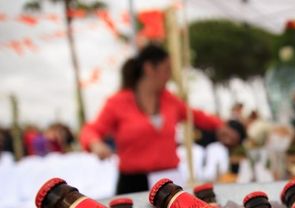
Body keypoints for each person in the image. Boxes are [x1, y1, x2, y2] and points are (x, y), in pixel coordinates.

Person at [80, 44, 245, 194]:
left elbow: (196, 116)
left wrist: (221, 126)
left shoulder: (169, 100)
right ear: (149, 68)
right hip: (133, 183)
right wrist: (95, 144)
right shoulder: (118, 102)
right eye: (166, 69)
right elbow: (90, 130)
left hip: (169, 181)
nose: (169, 76)